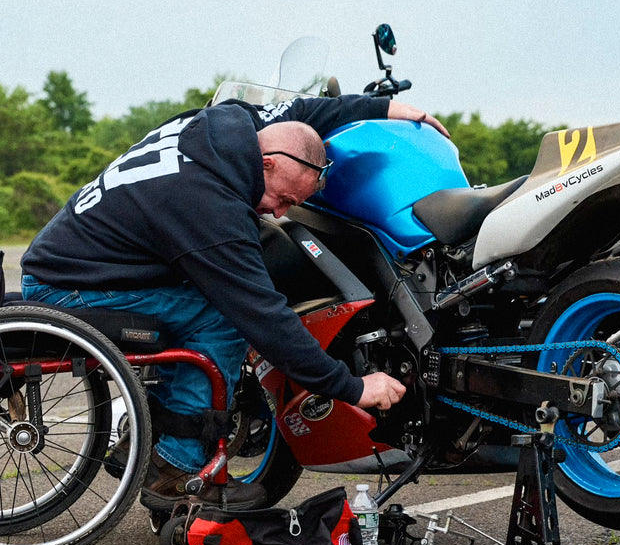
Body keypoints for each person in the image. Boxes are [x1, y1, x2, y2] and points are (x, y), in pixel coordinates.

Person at [21, 92, 449, 510]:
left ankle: (149, 436)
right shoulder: (211, 207)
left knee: (209, 305)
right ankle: (173, 472)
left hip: (75, 264)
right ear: (265, 164)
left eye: (293, 205)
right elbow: (264, 316)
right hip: (68, 290)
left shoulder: (230, 124)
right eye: (282, 199)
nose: (280, 214)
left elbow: (303, 109)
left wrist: (387, 108)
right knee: (221, 319)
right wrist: (352, 388)